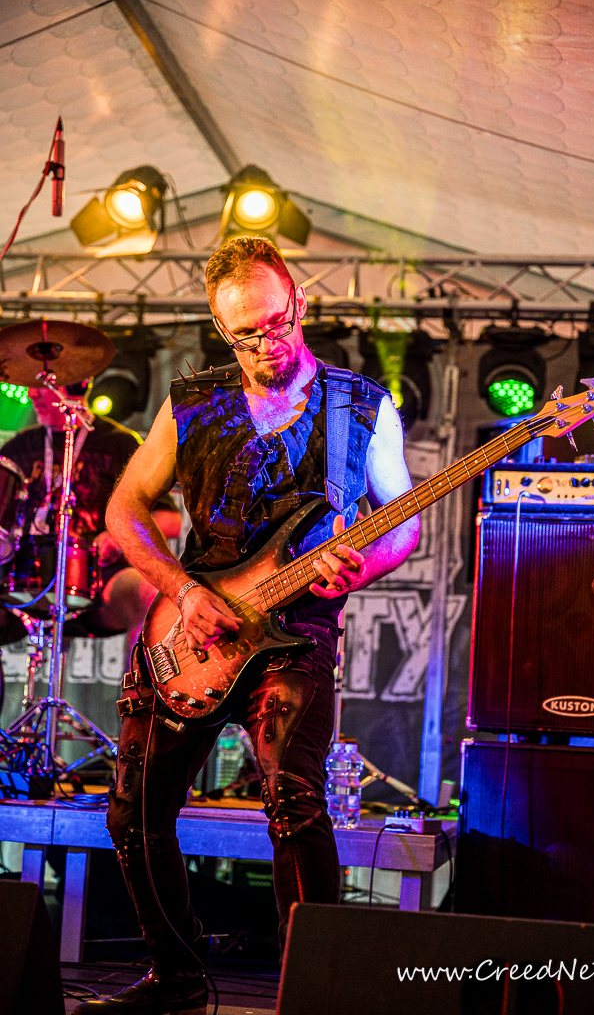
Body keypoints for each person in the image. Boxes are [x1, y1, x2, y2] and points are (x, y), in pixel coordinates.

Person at [74, 236, 419, 1015]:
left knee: (293, 802)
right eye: (246, 334)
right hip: (192, 626)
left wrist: (361, 566)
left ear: (299, 303)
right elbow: (126, 509)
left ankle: (314, 995)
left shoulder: (362, 406)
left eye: (277, 322)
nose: (268, 343)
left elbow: (401, 522)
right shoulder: (192, 402)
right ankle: (177, 980)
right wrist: (178, 586)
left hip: (296, 633)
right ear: (220, 330)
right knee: (131, 811)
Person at [0, 381, 182, 659]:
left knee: (148, 594)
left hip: (99, 576)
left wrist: (120, 536)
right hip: (22, 574)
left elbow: (170, 520)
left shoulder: (119, 443)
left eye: (42, 385)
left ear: (76, 380)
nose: (32, 393)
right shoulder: (18, 448)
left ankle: (142, 686)